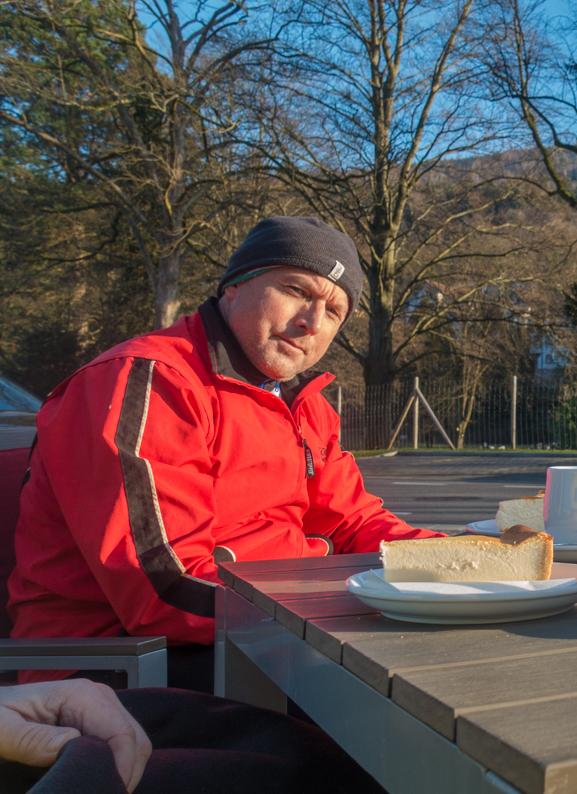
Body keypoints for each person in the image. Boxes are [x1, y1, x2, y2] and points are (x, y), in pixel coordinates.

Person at [6, 217, 442, 690]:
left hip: (251, 631)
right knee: (392, 706)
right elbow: (166, 591)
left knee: (444, 651)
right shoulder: (150, 382)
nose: (311, 323)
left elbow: (350, 522)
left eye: (334, 312)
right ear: (234, 286)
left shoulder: (304, 404)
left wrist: (459, 561)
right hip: (112, 669)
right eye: (296, 290)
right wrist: (351, 592)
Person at [0, 679, 455, 794]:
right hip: (161, 628)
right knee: (328, 789)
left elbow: (350, 517)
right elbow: (163, 584)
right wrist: (317, 557)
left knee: (327, 757)